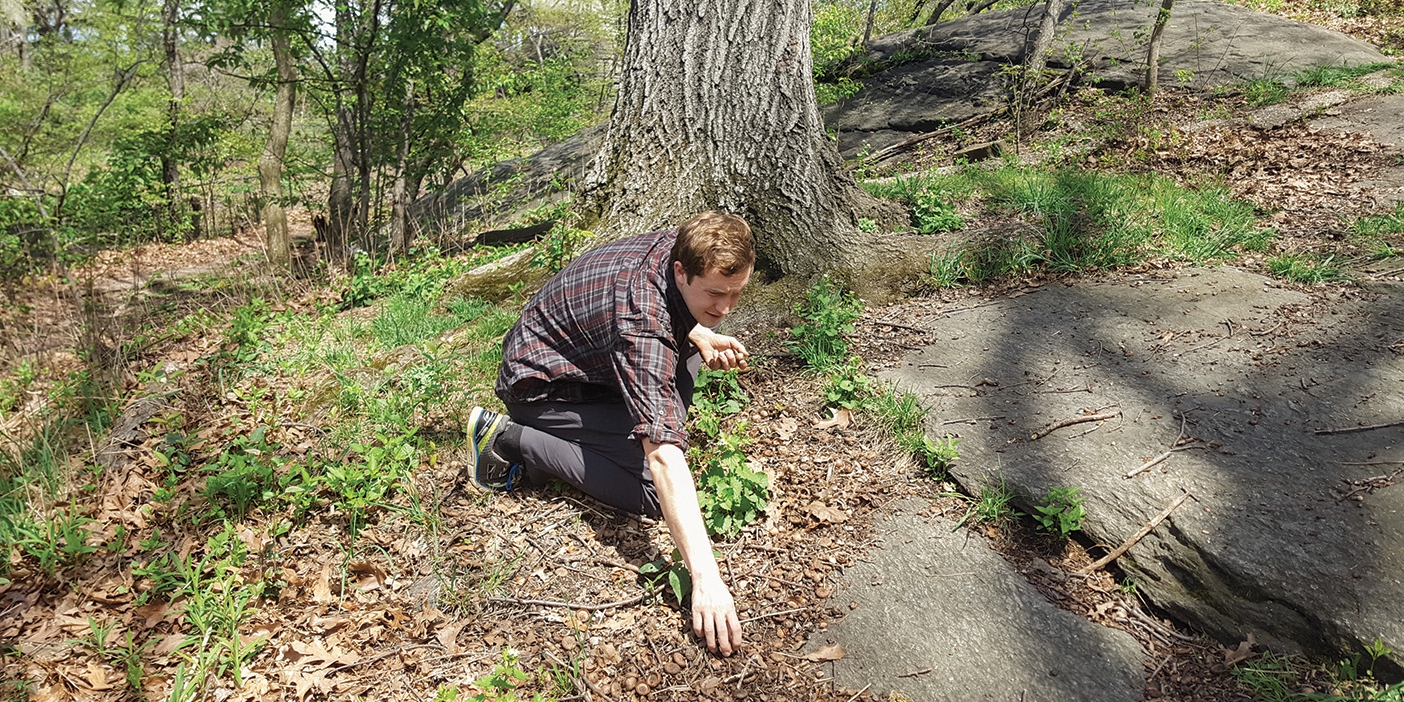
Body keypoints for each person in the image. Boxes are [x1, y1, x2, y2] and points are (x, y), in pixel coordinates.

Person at [464, 212, 754, 656]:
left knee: (687, 362)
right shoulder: (642, 323)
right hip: (542, 388)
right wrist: (706, 578)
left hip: (578, 363)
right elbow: (662, 456)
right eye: (715, 294)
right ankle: (508, 439)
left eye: (736, 293)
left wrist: (697, 330)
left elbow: (664, 309)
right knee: (654, 492)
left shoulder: (678, 248)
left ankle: (570, 439)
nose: (726, 308)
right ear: (682, 270)